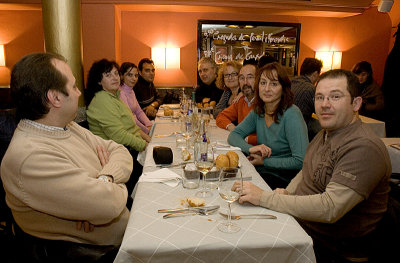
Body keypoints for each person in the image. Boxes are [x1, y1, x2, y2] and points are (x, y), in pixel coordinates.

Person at [233, 69, 391, 263]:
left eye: (335, 96)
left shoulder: (363, 146)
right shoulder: (326, 133)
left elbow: (329, 208)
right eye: (320, 97)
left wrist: (266, 198)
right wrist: (286, 193)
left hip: (329, 246)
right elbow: (305, 170)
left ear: (356, 103)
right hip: (303, 226)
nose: (325, 104)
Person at [1, 52, 133, 261]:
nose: (79, 92)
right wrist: (105, 193)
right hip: (105, 253)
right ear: (54, 98)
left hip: (124, 236)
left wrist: (104, 178)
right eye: (73, 86)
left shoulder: (66, 126)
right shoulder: (29, 157)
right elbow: (109, 204)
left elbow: (120, 151)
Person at [228, 62, 308, 189]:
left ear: (283, 88)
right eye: (263, 83)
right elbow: (233, 135)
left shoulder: (292, 114)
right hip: (262, 172)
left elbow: (300, 161)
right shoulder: (259, 111)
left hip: (285, 181)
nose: (267, 89)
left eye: (274, 84)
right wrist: (250, 148)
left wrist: (265, 161)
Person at [85, 59, 150, 194]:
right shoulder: (102, 99)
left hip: (129, 149)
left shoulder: (115, 96)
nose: (114, 78)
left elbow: (133, 127)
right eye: (108, 75)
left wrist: (151, 141)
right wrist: (145, 146)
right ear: (99, 81)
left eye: (116, 73)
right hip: (115, 156)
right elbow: (119, 135)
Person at [216, 62, 257, 145]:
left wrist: (243, 138)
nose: (245, 82)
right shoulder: (242, 100)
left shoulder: (264, 102)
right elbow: (220, 116)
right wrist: (233, 128)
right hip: (243, 147)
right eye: (242, 78)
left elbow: (270, 137)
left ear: (258, 80)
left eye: (250, 77)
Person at [291, 57, 323, 140]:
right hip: (300, 127)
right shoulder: (310, 88)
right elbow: (320, 110)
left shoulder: (291, 83)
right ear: (315, 74)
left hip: (286, 124)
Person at [119, 62, 153, 134]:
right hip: (130, 131)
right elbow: (130, 118)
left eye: (136, 75)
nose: (134, 78)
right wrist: (147, 130)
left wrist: (149, 124)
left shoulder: (131, 90)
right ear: (121, 76)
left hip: (136, 128)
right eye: (130, 75)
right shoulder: (121, 93)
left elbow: (139, 111)